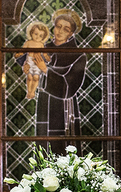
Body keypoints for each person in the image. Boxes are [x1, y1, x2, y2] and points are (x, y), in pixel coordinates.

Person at [36, 9, 88, 137]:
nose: (60, 31)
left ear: (71, 33)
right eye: (58, 26)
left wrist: (46, 70)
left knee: (64, 145)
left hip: (64, 107)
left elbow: (70, 87)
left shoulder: (78, 56)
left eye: (65, 29)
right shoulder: (42, 49)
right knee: (43, 144)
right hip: (44, 102)